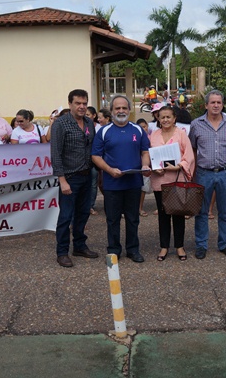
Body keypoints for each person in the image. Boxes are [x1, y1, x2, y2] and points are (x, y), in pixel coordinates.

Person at [92, 95, 151, 262]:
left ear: (129, 110)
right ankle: (114, 250)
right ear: (111, 111)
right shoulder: (103, 131)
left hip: (133, 183)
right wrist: (109, 170)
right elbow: (95, 156)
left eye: (124, 108)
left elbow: (145, 152)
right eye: (117, 108)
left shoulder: (138, 130)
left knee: (133, 218)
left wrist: (145, 165)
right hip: (112, 183)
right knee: (113, 219)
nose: (121, 111)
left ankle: (133, 249)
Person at [189, 89, 226, 259]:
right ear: (206, 105)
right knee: (202, 211)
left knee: (225, 212)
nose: (216, 105)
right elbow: (193, 149)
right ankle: (201, 245)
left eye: (219, 102)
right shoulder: (197, 124)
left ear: (222, 104)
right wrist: (192, 174)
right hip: (204, 173)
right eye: (213, 102)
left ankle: (224, 244)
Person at [51, 89, 98, 268]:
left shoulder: (89, 122)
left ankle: (79, 246)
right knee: (65, 216)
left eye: (84, 103)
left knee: (83, 214)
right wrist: (62, 180)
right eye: (78, 103)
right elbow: (55, 154)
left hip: (87, 175)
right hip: (69, 178)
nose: (82, 107)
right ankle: (62, 252)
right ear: (70, 104)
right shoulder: (60, 124)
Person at [150, 106, 195, 261]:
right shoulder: (154, 135)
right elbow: (150, 156)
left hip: (177, 178)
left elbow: (188, 155)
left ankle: (179, 246)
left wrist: (180, 166)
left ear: (174, 118)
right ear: (158, 119)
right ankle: (164, 247)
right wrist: (154, 168)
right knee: (163, 214)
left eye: (168, 117)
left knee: (178, 214)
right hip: (160, 180)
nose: (165, 120)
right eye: (162, 117)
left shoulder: (181, 134)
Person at [86, 106, 101, 216]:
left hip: (95, 161)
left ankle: (91, 205)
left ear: (94, 115)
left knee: (93, 184)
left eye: (88, 115)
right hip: (84, 161)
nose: (86, 116)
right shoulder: (82, 125)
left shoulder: (100, 128)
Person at [136, 118, 152, 217]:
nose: (143, 129)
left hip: (147, 167)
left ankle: (140, 208)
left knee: (143, 189)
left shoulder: (152, 137)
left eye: (144, 126)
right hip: (137, 167)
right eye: (140, 127)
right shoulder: (135, 137)